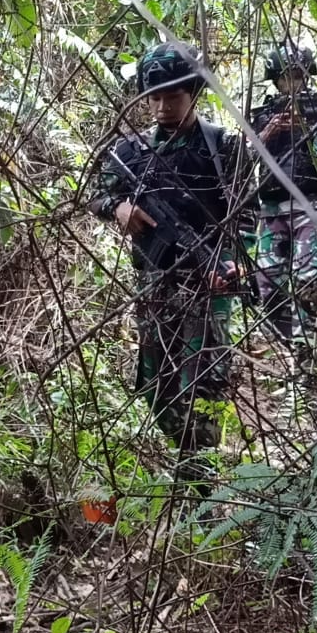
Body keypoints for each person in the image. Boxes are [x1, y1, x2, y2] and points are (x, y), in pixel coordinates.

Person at [87, 42, 255, 476]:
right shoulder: (131, 152)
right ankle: (187, 455)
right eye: (154, 97)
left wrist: (237, 261)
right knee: (153, 385)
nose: (161, 107)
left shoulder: (224, 149)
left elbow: (247, 216)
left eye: (172, 96)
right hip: (156, 284)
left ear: (195, 91)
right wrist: (117, 208)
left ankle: (200, 477)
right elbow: (94, 193)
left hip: (208, 284)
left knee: (206, 385)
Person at [248, 45, 317, 363]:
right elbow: (241, 157)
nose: (292, 85)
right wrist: (269, 130)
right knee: (267, 286)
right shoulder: (263, 115)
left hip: (309, 204)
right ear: (275, 82)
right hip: (272, 209)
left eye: (298, 77)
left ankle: (308, 354)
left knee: (307, 281)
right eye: (285, 79)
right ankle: (297, 346)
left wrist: (307, 129)